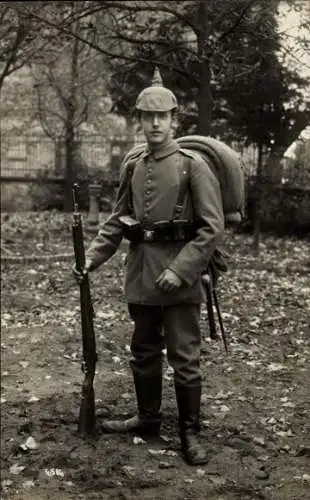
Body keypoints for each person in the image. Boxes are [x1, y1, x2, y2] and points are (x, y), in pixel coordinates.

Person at [74, 68, 225, 465]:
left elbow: (212, 228)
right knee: (143, 350)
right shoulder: (133, 165)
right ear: (139, 120)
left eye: (163, 117)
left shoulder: (194, 166)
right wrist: (91, 258)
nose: (155, 124)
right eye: (147, 116)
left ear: (175, 120)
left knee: (184, 356)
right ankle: (147, 419)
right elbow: (118, 220)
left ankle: (190, 432)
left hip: (180, 276)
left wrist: (181, 269)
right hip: (141, 272)